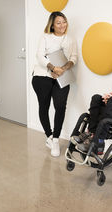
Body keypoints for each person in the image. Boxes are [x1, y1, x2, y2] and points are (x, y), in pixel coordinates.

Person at [32, 11, 77, 157]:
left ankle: (56, 139)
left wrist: (62, 69)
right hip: (42, 77)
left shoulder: (70, 39)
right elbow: (39, 55)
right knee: (44, 106)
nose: (62, 25)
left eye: (64, 21)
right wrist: (53, 68)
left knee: (60, 106)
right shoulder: (45, 37)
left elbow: (73, 57)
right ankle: (49, 136)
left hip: (62, 77)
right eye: (58, 22)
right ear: (52, 25)